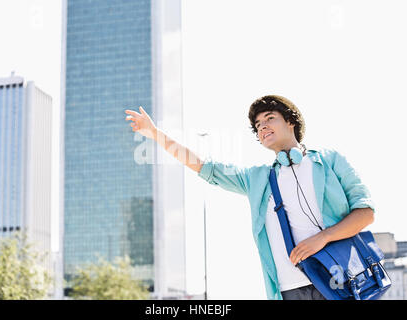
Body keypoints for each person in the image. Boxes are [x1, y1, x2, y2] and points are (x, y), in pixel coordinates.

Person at [124, 95, 375, 300]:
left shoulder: (329, 161)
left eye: (269, 118)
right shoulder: (257, 179)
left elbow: (366, 212)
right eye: (257, 125)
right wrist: (156, 134)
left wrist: (323, 238)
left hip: (342, 277)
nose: (262, 126)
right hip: (289, 289)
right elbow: (205, 167)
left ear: (290, 121)